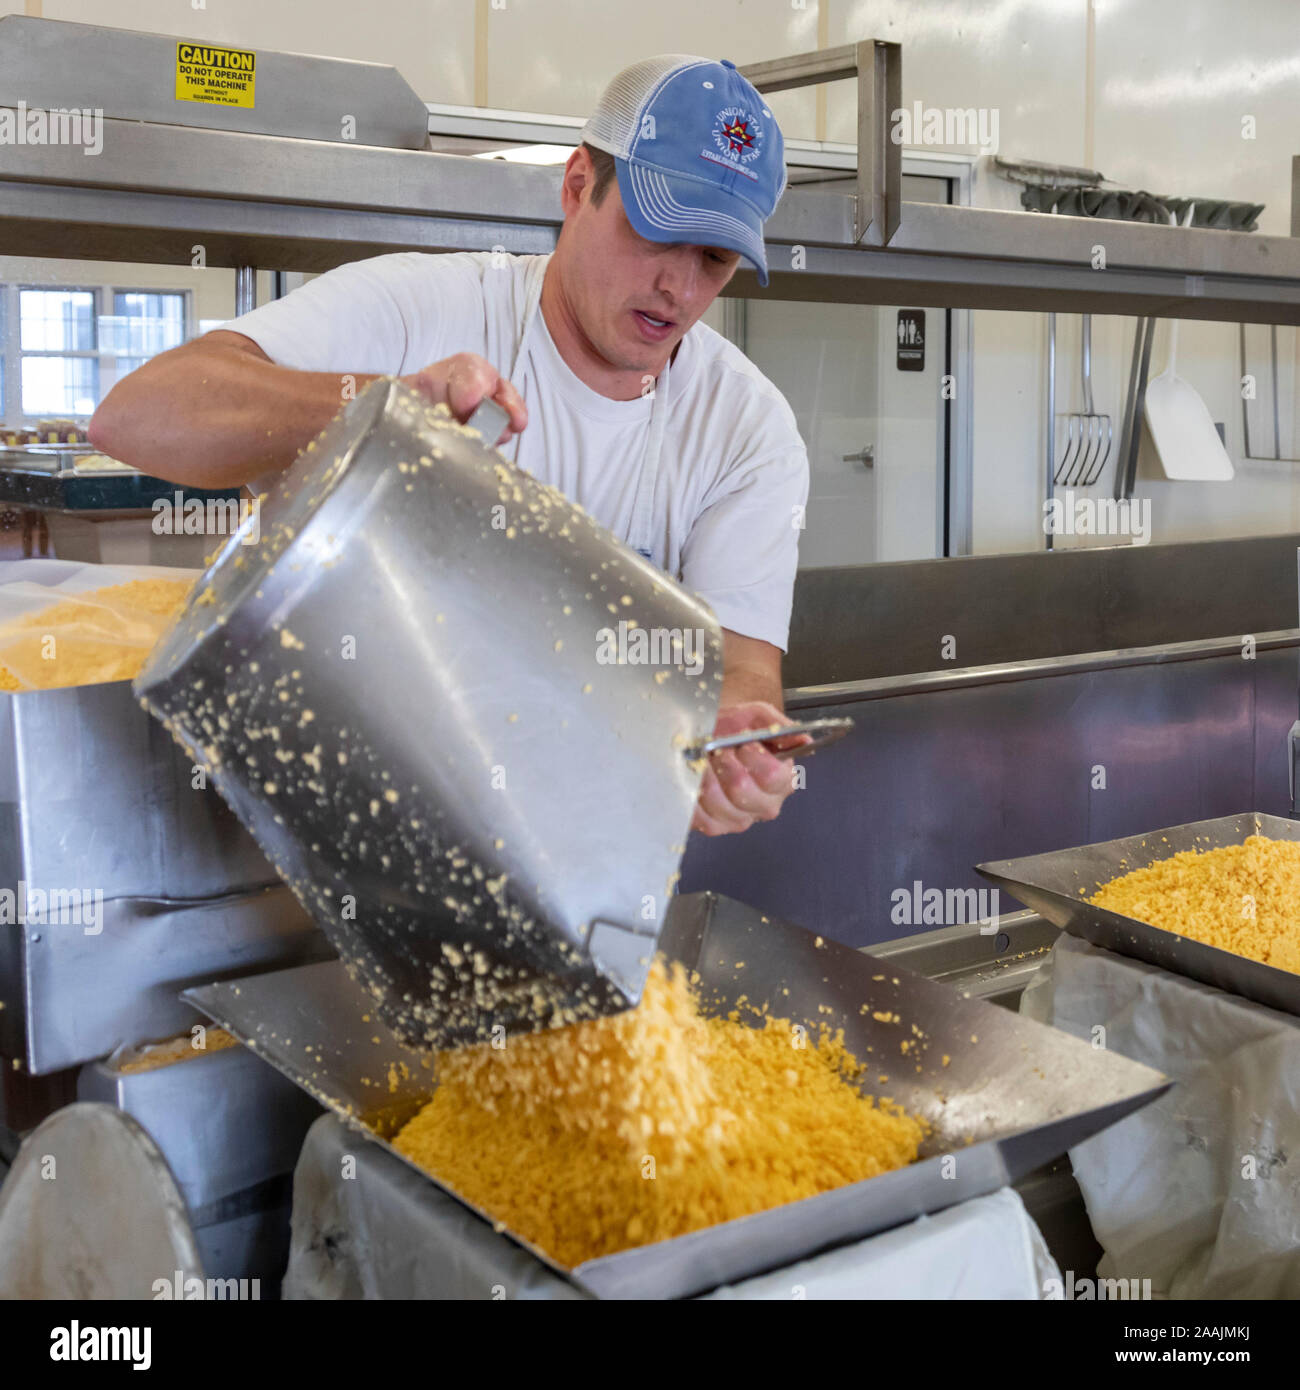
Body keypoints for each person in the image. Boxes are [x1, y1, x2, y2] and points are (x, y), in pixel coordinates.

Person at [90, 54, 810, 837]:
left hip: (574, 860)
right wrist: (381, 411)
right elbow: (136, 414)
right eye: (657, 231)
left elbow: (741, 668)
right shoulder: (424, 309)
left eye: (715, 258)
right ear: (577, 186)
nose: (681, 287)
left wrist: (738, 745)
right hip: (316, 832)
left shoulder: (747, 428)